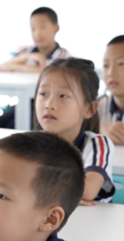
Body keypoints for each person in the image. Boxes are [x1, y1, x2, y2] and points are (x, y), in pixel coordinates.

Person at [34, 58, 115, 204]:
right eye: (43, 94)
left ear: (89, 109)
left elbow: (87, 190)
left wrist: (38, 191)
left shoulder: (97, 144)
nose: (49, 104)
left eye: (63, 96)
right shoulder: (31, 143)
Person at [0, 7, 71, 129]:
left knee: (14, 126)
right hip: (24, 102)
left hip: (48, 105)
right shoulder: (26, 52)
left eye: (43, 27)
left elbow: (47, 72)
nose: (37, 33)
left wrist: (16, 66)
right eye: (33, 29)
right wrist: (25, 57)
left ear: (56, 28)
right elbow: (1, 67)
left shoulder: (63, 55)